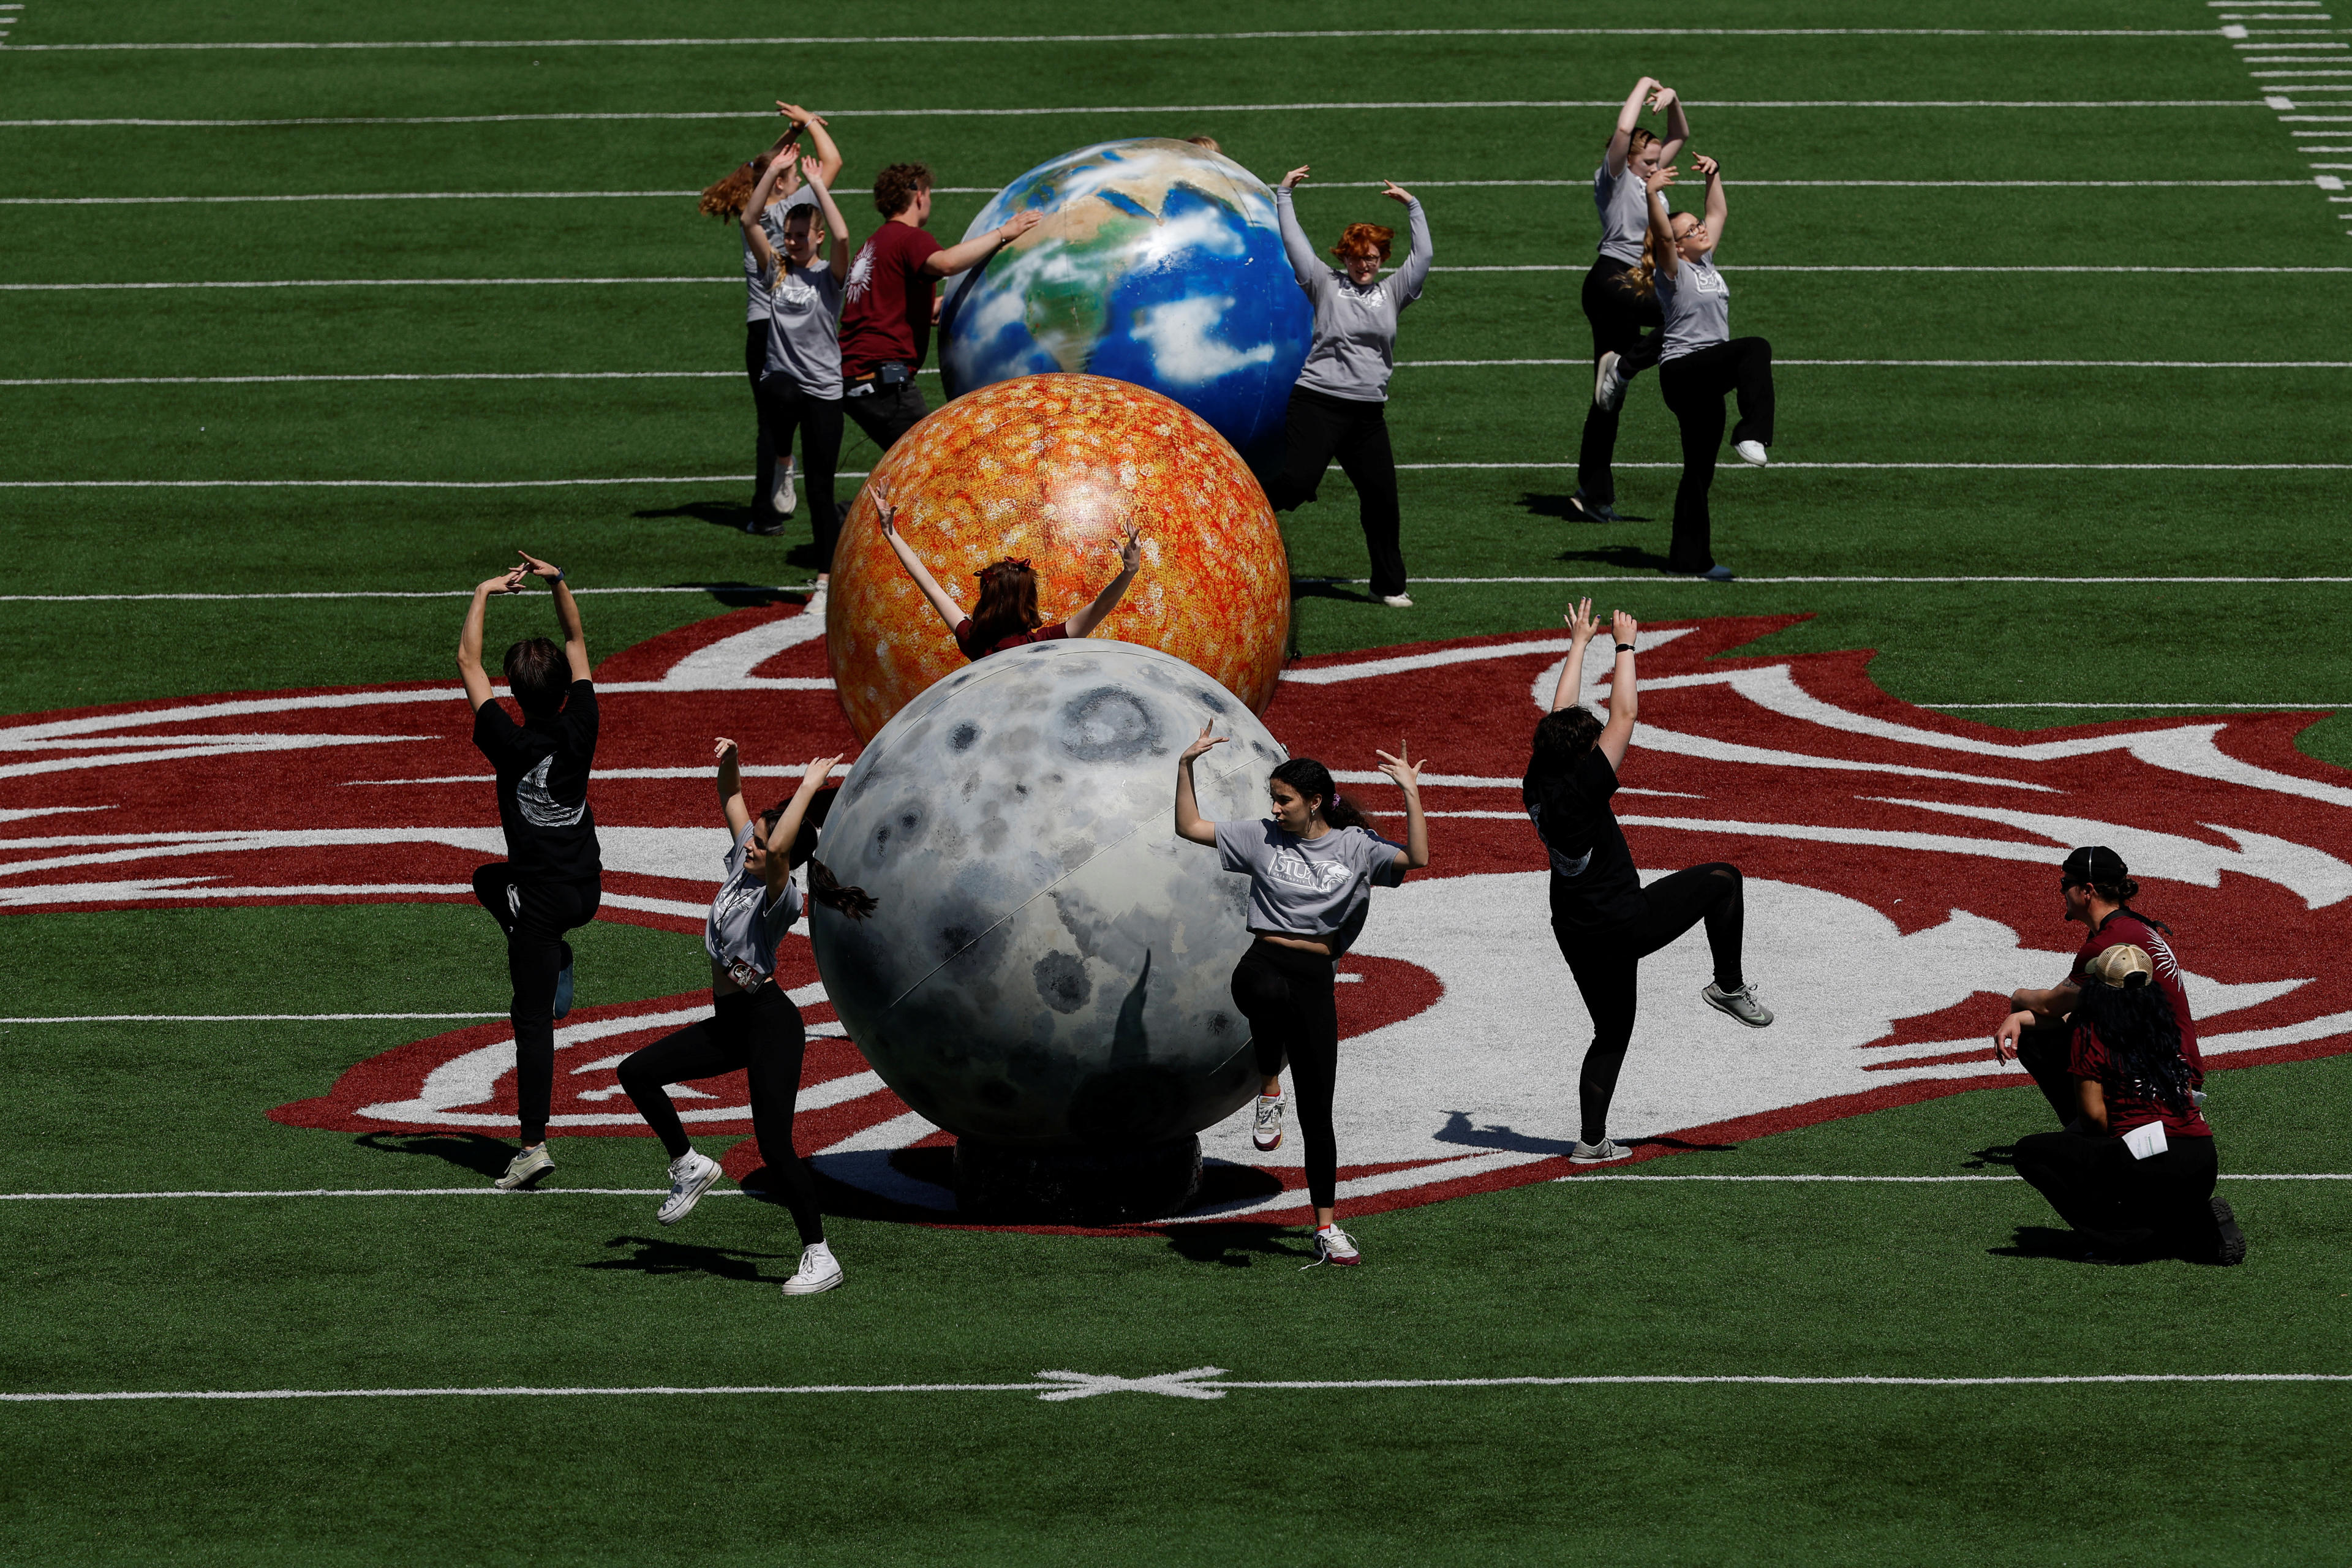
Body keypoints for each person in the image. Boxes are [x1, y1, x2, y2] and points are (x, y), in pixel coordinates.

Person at [616, 739, 876, 1296]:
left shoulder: (779, 894)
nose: (751, 846)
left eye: (760, 842)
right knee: (635, 1072)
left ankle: (820, 1255)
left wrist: (808, 787)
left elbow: (781, 847)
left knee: (774, 1147)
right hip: (734, 1020)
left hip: (769, 1024)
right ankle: (687, 1165)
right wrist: (729, 758)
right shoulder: (745, 862)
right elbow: (732, 794)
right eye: (753, 839)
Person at [1526, 598, 1771, 1164]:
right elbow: (1624, 718)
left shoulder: (1539, 778)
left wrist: (1579, 645)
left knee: (1610, 1034)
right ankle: (1727, 985)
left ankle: (1591, 1143)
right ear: (1584, 757)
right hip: (1623, 922)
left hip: (1577, 930)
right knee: (1723, 879)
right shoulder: (1586, 787)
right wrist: (1626, 647)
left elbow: (1560, 719)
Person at [1174, 739, 1430, 1266]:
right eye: (1272, 798)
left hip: (1316, 978)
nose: (1273, 808)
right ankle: (1269, 1086)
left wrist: (1411, 794)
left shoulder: (1356, 847)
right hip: (1264, 960)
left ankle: (1326, 1225)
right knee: (1261, 993)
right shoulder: (1259, 836)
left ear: (1314, 801)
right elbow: (1190, 827)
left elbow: (1417, 858)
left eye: (1283, 800)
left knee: (1319, 1111)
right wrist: (1184, 766)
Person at [455, 551, 605, 1193]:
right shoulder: (583, 723)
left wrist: (486, 590)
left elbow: (467, 662)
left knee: (531, 1018)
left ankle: (533, 1144)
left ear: (515, 693)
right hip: (587, 887)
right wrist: (559, 581)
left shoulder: (507, 743)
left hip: (540, 905)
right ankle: (559, 958)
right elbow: (576, 638)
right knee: (489, 880)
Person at [2010, 944, 2245, 1265]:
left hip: (2150, 1162)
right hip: (2203, 1159)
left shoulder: (2092, 1030)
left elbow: (2093, 1118)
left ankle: (2124, 1241)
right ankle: (2193, 1224)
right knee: (2127, 1163)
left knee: (2032, 1152)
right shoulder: (2167, 1026)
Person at [1264, 167, 1433, 608]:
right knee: (1297, 485)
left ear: (1382, 260)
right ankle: (1246, 503)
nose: (1365, 265)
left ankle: (1389, 585)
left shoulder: (1393, 292)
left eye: (1373, 258)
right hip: (1317, 402)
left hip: (1367, 415)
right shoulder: (1324, 284)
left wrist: (1413, 206)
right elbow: (1294, 243)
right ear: (1345, 257)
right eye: (1358, 258)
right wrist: (1284, 195)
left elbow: (1424, 257)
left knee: (1382, 500)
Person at [701, 104, 842, 535]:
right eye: (793, 173)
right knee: (804, 413)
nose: (799, 177)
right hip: (790, 324)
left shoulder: (759, 206)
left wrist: (788, 135)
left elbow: (764, 173)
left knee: (772, 421)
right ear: (783, 182)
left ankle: (765, 511)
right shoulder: (798, 208)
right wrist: (812, 123)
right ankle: (783, 494)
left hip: (759, 325)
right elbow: (834, 161)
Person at [838, 163, 1044, 458]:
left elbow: (884, 302)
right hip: (880, 380)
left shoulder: (875, 242)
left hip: (857, 375)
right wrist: (1004, 232)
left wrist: (931, 308)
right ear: (919, 196)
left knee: (912, 463)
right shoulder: (909, 238)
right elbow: (945, 263)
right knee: (935, 463)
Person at [1994, 846, 2203, 1128]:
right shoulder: (2134, 927)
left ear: (2087, 890)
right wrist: (2020, 1017)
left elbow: (2050, 1005)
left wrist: (2017, 1000)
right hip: (2178, 1070)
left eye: (2065, 884)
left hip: (2156, 1079)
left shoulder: (2106, 944)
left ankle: (2089, 1130)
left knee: (2035, 1040)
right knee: (2058, 1024)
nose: (2062, 892)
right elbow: (2084, 1008)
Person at [1642, 154, 1773, 580]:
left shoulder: (1707, 262)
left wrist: (1714, 175)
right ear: (1678, 246)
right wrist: (1651, 192)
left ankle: (1690, 561)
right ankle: (1752, 432)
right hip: (1683, 372)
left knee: (1699, 471)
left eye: (1699, 225)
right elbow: (1662, 235)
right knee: (1754, 348)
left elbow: (1718, 211)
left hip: (1707, 377)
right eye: (1690, 229)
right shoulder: (1673, 271)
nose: (1701, 228)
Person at [1574, 76, 1690, 524]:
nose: (1654, 168)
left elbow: (1680, 134)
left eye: (1656, 162)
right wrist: (1643, 85)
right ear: (1630, 161)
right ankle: (1622, 367)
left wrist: (1674, 100)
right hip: (1611, 279)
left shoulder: (1651, 177)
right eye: (1648, 162)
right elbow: (1623, 133)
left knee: (1608, 401)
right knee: (1682, 312)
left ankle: (1593, 493)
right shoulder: (1618, 179)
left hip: (1632, 283)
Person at [742, 153, 854, 579]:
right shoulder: (777, 271)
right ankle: (783, 461)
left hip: (825, 391)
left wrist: (817, 184)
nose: (793, 242)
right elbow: (750, 222)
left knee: (822, 490)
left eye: (802, 236)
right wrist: (771, 173)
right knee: (777, 388)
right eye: (789, 235)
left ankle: (826, 578)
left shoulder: (829, 276)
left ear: (817, 237)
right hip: (786, 385)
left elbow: (844, 238)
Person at [874, 483, 1143, 660]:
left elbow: (930, 586)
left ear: (986, 597)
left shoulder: (973, 641)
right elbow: (1100, 606)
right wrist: (1128, 573)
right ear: (1028, 601)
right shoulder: (1043, 644)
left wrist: (891, 533)